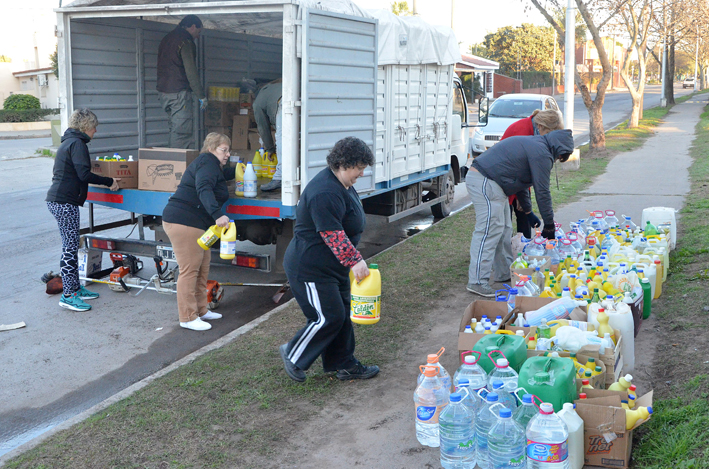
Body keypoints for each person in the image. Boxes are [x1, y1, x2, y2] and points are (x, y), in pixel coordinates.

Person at [279, 137, 379, 382]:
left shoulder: (342, 183)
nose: (362, 173)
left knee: (342, 314)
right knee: (327, 317)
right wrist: (355, 260)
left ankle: (344, 364)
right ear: (344, 163)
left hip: (332, 267)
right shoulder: (325, 191)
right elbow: (332, 234)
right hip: (311, 268)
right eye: (360, 168)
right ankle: (293, 354)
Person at [466, 129, 574, 297]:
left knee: (503, 230)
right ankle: (477, 281)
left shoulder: (537, 146)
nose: (559, 160)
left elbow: (522, 181)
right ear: (558, 149)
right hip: (484, 179)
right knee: (488, 230)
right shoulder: (542, 153)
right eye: (561, 157)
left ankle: (505, 273)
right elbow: (542, 191)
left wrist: (528, 211)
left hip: (494, 183)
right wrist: (550, 224)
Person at [46, 109, 121, 312]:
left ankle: (75, 289)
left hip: (60, 200)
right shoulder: (77, 144)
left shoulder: (68, 142)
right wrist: (109, 181)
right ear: (86, 126)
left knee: (70, 246)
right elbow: (83, 174)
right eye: (94, 126)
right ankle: (69, 296)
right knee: (70, 248)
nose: (95, 130)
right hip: (64, 202)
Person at [162, 133, 235, 331]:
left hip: (197, 224)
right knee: (189, 271)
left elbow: (219, 178)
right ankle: (187, 317)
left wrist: (238, 170)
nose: (227, 154)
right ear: (211, 148)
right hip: (184, 221)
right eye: (223, 150)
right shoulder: (206, 162)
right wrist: (217, 214)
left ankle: (201, 310)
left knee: (202, 268)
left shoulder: (212, 165)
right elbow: (203, 187)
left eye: (228, 150)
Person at [500, 109, 564, 238]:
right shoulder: (522, 131)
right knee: (503, 222)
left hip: (519, 179)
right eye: (548, 134)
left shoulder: (534, 130)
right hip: (504, 179)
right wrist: (519, 195)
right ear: (541, 126)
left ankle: (524, 246)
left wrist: (525, 202)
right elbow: (518, 167)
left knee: (524, 213)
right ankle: (506, 250)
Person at [157, 15, 207, 150]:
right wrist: (201, 95)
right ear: (192, 27)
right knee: (181, 133)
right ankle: (176, 167)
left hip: (164, 93)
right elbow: (191, 71)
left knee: (174, 129)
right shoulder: (185, 41)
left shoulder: (167, 38)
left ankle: (172, 162)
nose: (197, 36)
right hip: (178, 93)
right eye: (198, 32)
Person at [254, 80, 283, 192]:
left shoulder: (257, 102)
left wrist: (270, 148)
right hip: (301, 98)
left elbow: (263, 128)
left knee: (282, 139)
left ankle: (279, 177)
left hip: (284, 103)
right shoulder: (274, 88)